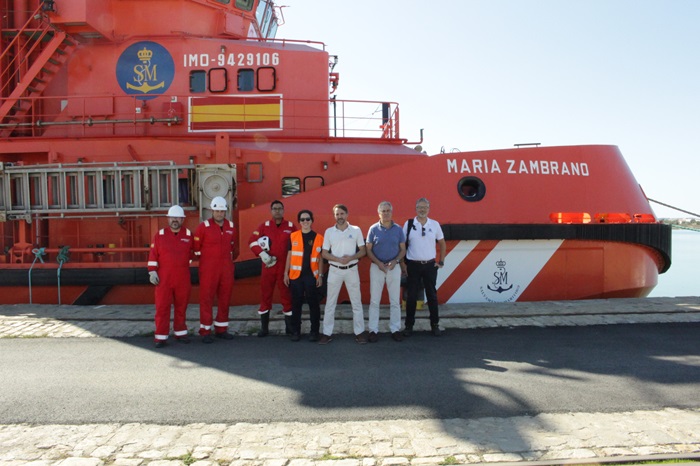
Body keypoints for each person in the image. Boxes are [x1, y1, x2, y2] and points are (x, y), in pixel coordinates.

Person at [147, 205, 194, 348]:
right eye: (173, 217)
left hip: (182, 277)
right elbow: (153, 254)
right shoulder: (159, 235)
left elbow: (193, 253)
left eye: (178, 218)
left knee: (181, 307)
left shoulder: (188, 235)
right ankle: (161, 337)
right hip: (164, 279)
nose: (175, 220)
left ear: (182, 220)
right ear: (168, 219)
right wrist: (152, 271)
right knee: (162, 307)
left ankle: (180, 333)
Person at [248, 200, 297, 337]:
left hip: (284, 267)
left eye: (280, 208)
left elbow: (297, 244)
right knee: (265, 296)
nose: (277, 211)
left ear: (283, 210)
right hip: (268, 266)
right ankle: (264, 328)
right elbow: (251, 241)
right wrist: (262, 254)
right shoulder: (264, 226)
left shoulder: (291, 226)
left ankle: (289, 327)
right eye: (275, 208)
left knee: (286, 297)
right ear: (271, 211)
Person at [193, 196, 238, 344]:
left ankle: (221, 329)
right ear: (212, 210)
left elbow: (233, 247)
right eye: (217, 211)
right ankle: (205, 331)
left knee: (225, 299)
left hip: (226, 269)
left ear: (226, 211)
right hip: (208, 270)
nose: (220, 213)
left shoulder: (231, 227)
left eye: (222, 211)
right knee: (206, 299)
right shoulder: (203, 227)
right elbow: (196, 248)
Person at [320, 204, 367, 344]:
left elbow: (363, 251)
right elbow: (324, 253)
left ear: (347, 214)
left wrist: (350, 258)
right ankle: (327, 333)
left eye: (342, 214)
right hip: (334, 270)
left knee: (356, 302)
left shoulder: (356, 230)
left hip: (352, 269)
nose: (339, 217)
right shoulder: (329, 232)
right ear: (334, 216)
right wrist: (337, 259)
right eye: (337, 214)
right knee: (330, 303)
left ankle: (359, 332)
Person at [401, 197, 447, 337]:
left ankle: (435, 325)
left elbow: (442, 243)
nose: (422, 210)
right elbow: (402, 245)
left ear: (429, 209)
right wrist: (403, 264)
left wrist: (441, 261)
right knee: (411, 297)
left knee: (432, 296)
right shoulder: (408, 224)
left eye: (425, 207)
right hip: (413, 265)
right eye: (420, 207)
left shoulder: (434, 224)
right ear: (415, 209)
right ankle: (409, 326)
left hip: (429, 265)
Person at [365, 201, 406, 343]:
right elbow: (368, 249)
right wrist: (378, 263)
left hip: (394, 267)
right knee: (374, 301)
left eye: (388, 210)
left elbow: (403, 249)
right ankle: (373, 330)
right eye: (383, 211)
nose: (386, 213)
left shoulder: (399, 229)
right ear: (379, 213)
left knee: (395, 301)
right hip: (376, 267)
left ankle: (395, 329)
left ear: (392, 212)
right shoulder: (373, 229)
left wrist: (396, 261)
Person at [283, 209, 324, 342]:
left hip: (312, 276)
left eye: (307, 219)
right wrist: (285, 273)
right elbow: (289, 255)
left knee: (314, 305)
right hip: (296, 276)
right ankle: (296, 331)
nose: (305, 221)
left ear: (312, 221)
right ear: (299, 222)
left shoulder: (319, 238)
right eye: (302, 219)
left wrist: (320, 276)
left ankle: (314, 332)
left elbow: (321, 258)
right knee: (296, 304)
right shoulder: (293, 236)